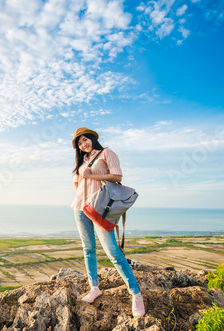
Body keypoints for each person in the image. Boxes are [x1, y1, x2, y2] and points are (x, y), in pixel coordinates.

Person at [71, 127, 145, 317]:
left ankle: (135, 294)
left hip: (100, 209)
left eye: (85, 140)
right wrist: (81, 181)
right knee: (88, 248)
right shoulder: (83, 161)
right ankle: (94, 287)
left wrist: (92, 176)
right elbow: (78, 183)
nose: (83, 145)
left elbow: (117, 177)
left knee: (113, 252)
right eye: (79, 144)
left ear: (93, 139)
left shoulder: (106, 153)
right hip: (80, 208)